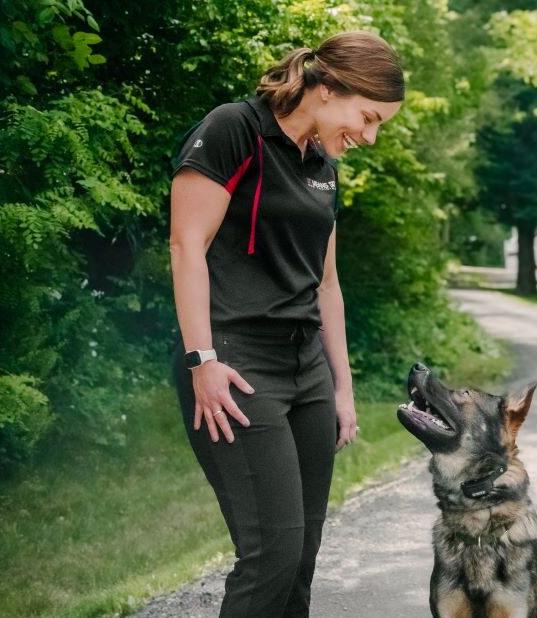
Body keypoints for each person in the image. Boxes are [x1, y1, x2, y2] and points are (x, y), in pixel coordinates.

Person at [168, 30, 404, 617]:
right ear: (327, 88)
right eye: (368, 117)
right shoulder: (233, 130)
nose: (370, 136)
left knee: (300, 560)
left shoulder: (323, 165)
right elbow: (185, 246)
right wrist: (201, 360)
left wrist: (343, 389)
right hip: (235, 364)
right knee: (271, 553)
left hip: (306, 373)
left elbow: (327, 285)